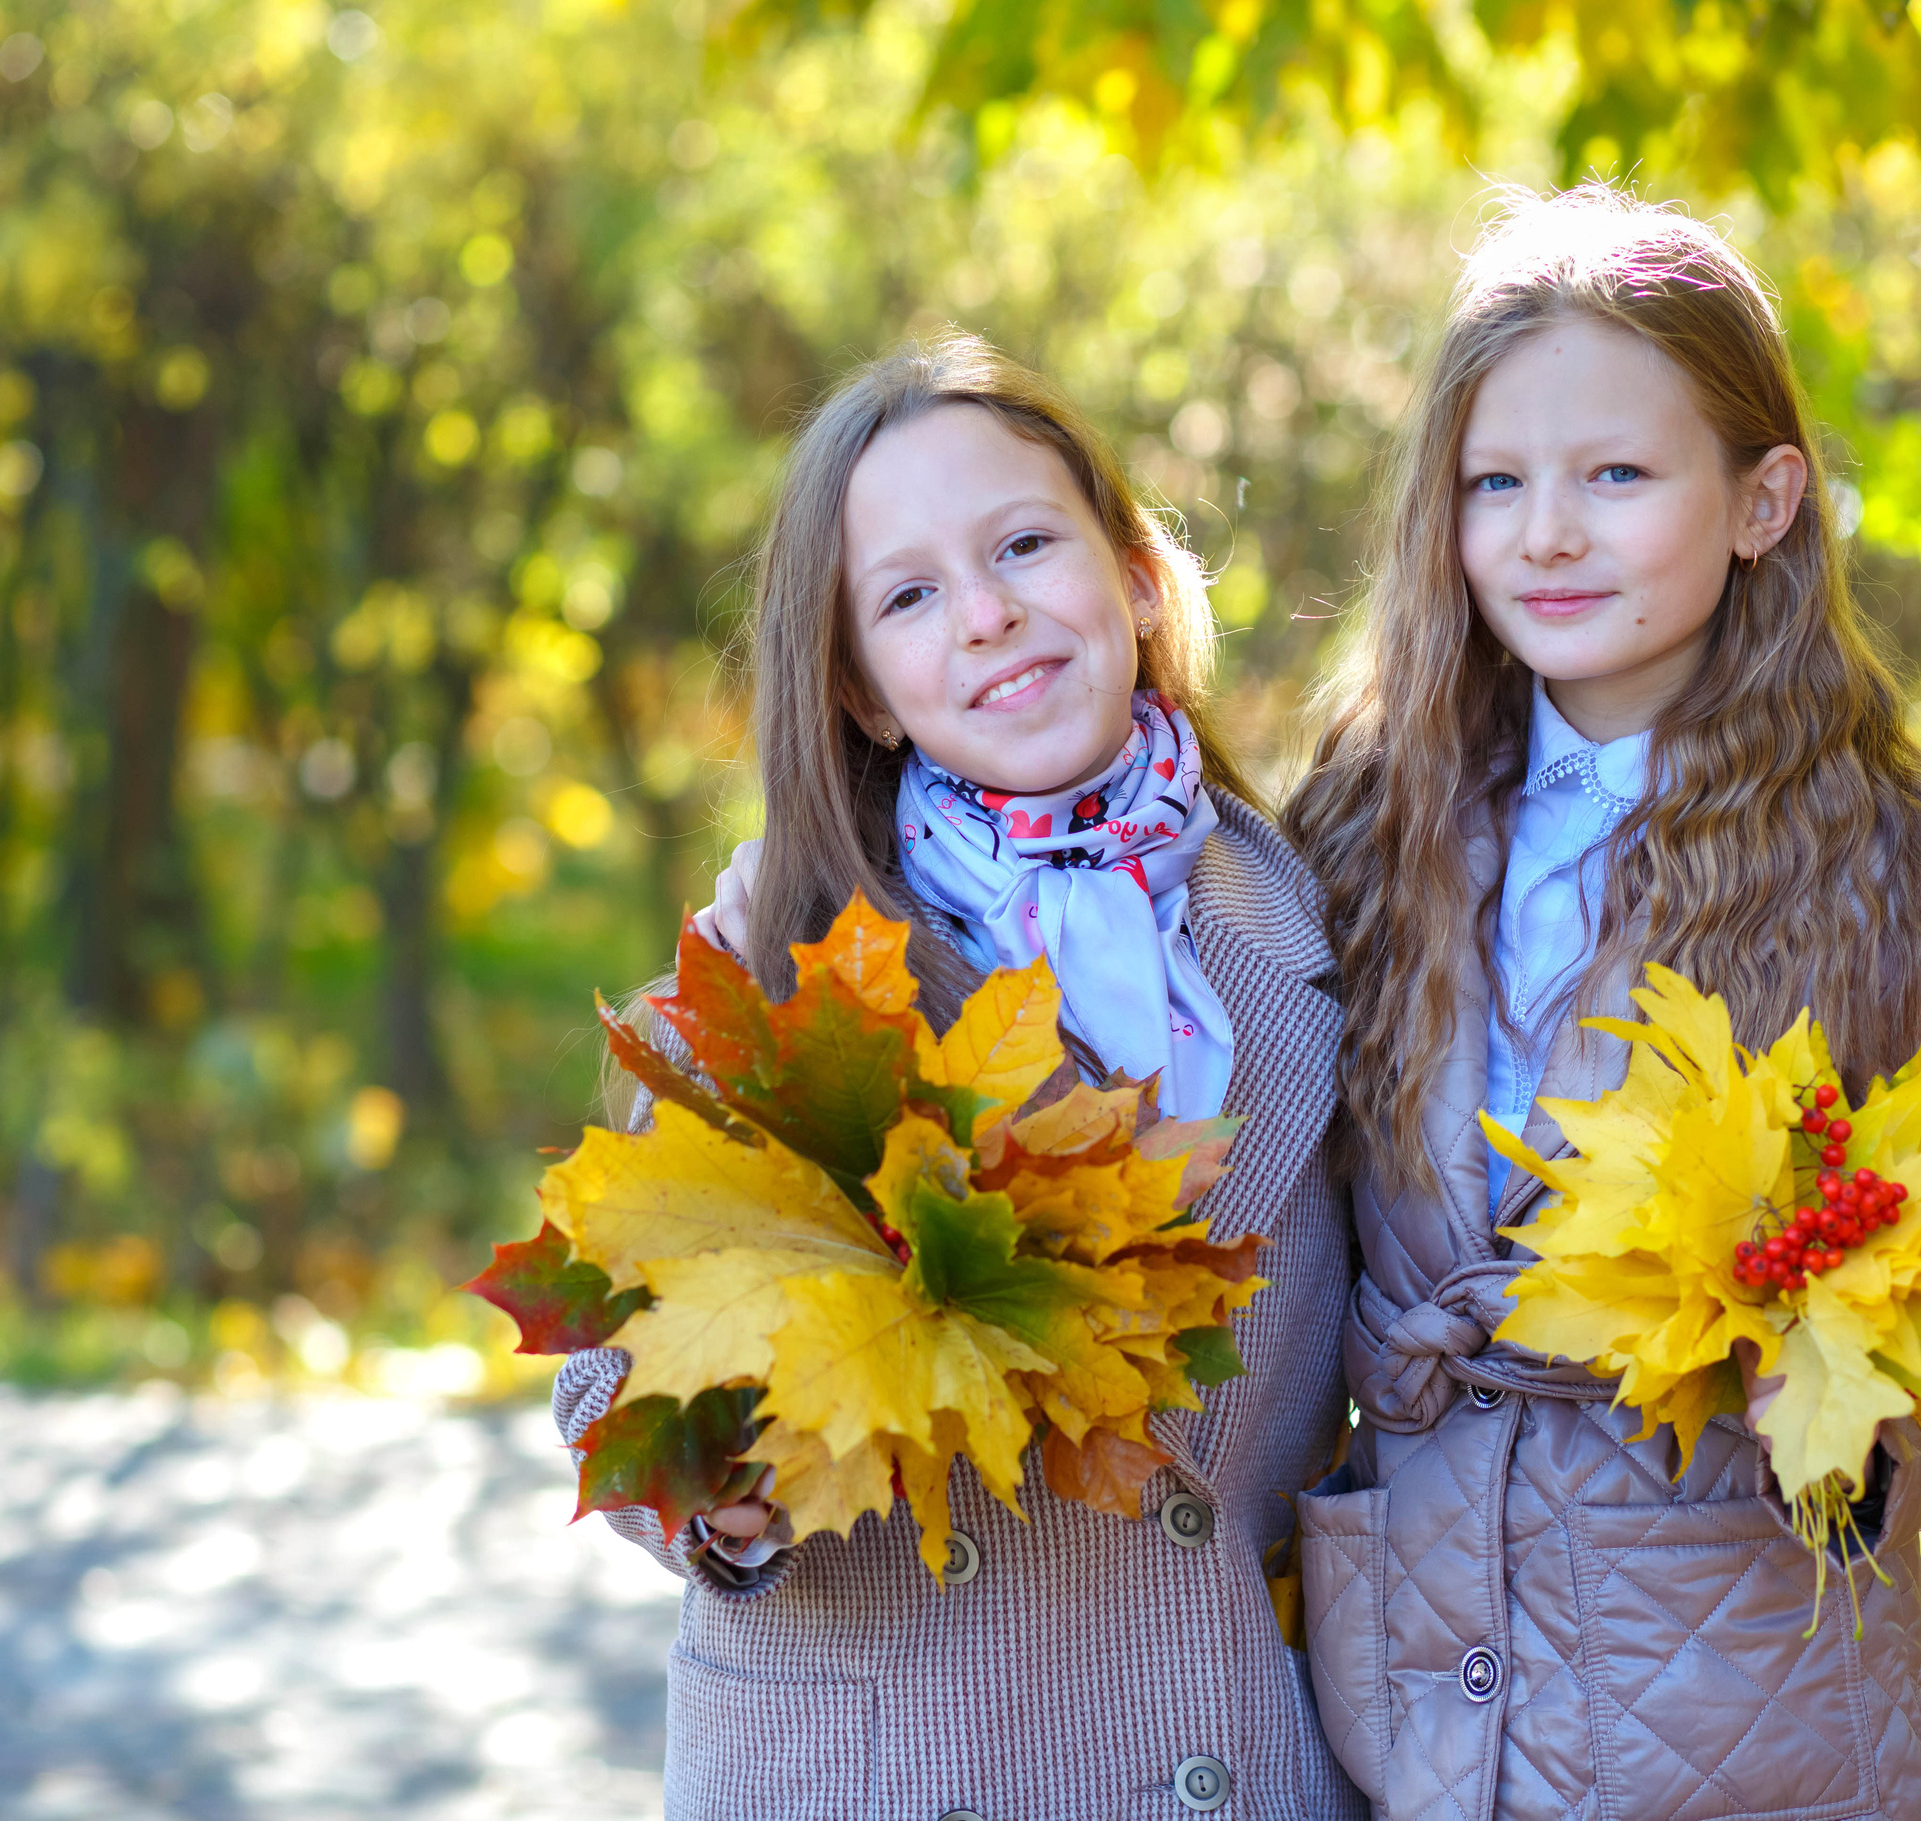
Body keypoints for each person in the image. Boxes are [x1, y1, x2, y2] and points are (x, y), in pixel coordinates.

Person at [1282, 185, 1921, 1821]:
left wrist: (1858, 1423)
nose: (1547, 532)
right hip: (1413, 1696)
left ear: (1763, 499)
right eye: (1498, 482)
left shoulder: (1883, 870)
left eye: (1615, 474)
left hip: (1745, 1704)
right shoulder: (1357, 825)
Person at [553, 332, 1369, 1820]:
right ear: (862, 688)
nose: (988, 614)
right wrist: (719, 1485)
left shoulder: (1314, 917)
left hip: (1211, 1744)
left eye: (1025, 546)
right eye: (911, 594)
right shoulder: (783, 952)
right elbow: (621, 1357)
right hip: (891, 1760)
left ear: (1131, 575)